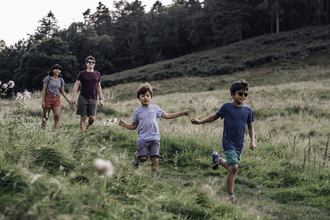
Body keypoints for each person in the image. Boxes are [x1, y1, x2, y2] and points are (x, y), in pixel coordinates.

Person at [191, 79, 256, 203]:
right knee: (234, 168)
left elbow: (250, 127)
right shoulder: (226, 107)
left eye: (245, 94)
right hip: (228, 142)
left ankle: (217, 159)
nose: (243, 96)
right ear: (232, 94)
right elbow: (214, 117)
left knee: (232, 168)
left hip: (239, 144)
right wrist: (200, 121)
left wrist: (252, 141)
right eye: (240, 93)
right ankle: (230, 197)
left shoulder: (248, 110)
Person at [119, 83, 190, 178]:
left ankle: (153, 176)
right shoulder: (137, 111)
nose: (145, 97)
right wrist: (125, 125)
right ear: (138, 98)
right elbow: (134, 126)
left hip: (155, 137)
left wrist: (181, 113)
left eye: (148, 95)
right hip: (142, 139)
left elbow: (167, 116)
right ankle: (137, 156)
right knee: (143, 158)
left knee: (155, 157)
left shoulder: (155, 108)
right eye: (143, 95)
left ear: (151, 97)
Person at [70, 55, 104, 133]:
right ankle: (83, 133)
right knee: (83, 116)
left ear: (94, 64)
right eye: (89, 62)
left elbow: (99, 87)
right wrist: (73, 97)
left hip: (93, 98)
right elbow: (76, 85)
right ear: (86, 63)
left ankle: (86, 127)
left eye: (93, 62)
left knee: (92, 118)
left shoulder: (97, 74)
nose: (91, 63)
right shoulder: (82, 73)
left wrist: (101, 99)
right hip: (83, 97)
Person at [41, 64, 71, 131]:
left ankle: (57, 132)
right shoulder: (47, 78)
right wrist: (43, 101)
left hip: (57, 99)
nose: (57, 71)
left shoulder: (61, 80)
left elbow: (63, 92)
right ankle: (42, 131)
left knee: (57, 116)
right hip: (48, 98)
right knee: (45, 117)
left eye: (59, 69)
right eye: (56, 69)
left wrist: (68, 100)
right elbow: (44, 91)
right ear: (52, 70)